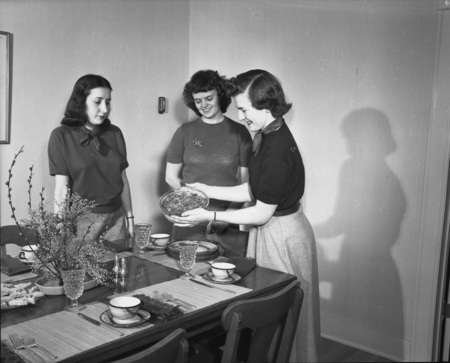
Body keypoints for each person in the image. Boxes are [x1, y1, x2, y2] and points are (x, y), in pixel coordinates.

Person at [170, 69, 320, 362]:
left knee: (278, 316)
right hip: (273, 230)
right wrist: (205, 188)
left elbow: (262, 212)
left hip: (282, 235)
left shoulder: (276, 149)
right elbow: (252, 191)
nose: (241, 116)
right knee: (270, 317)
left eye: (244, 109)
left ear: (266, 105)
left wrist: (206, 214)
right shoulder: (268, 133)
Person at [165, 69, 252, 253]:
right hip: (189, 218)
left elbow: (247, 183)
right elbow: (171, 178)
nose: (203, 105)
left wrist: (226, 217)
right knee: (183, 275)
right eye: (198, 101)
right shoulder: (184, 132)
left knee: (223, 276)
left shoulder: (240, 132)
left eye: (209, 98)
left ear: (220, 96)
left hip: (225, 220)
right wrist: (189, 206)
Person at [48, 74, 134, 242]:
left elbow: (123, 179)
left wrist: (129, 218)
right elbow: (61, 189)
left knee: (118, 266)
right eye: (97, 101)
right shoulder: (61, 136)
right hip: (81, 223)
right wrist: (61, 227)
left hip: (116, 220)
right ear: (81, 102)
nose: (104, 109)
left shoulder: (115, 133)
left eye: (108, 102)